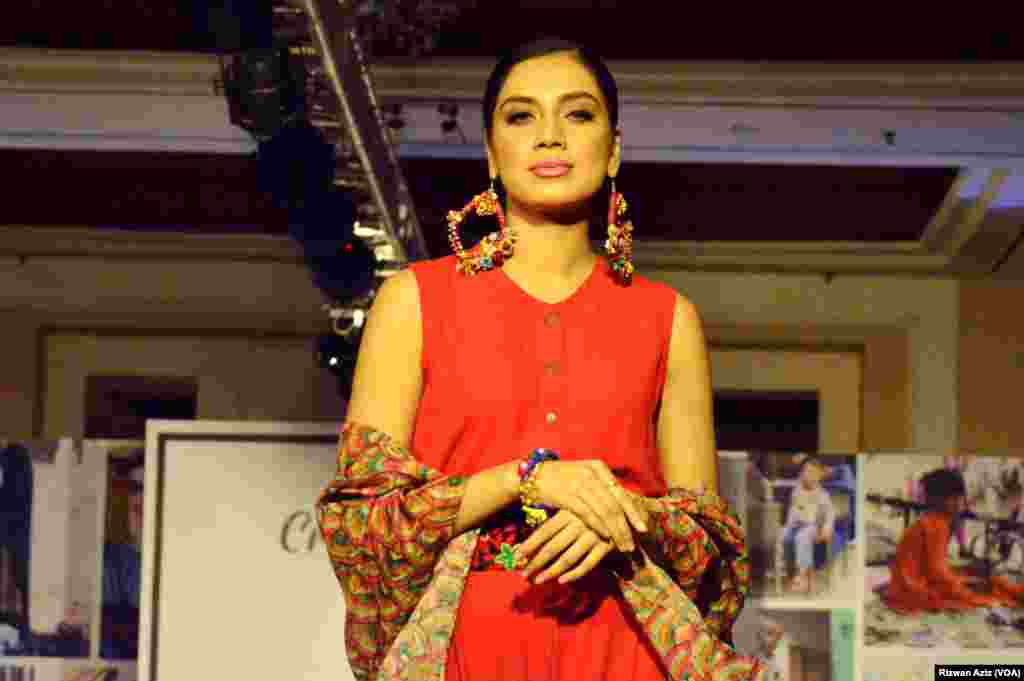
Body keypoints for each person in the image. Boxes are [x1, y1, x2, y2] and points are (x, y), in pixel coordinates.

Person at [316, 37, 763, 681]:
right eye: (521, 116)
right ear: (492, 155)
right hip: (469, 646)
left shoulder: (667, 318)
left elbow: (712, 549)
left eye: (577, 115)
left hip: (624, 645)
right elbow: (361, 530)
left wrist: (618, 517)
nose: (550, 136)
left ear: (612, 151)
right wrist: (525, 480)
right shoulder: (413, 302)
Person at [882, 468, 1024, 613]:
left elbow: (934, 567)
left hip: (910, 584)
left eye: (960, 497)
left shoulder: (934, 520)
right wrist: (967, 594)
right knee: (991, 592)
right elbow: (937, 573)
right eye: (952, 498)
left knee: (989, 582)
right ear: (936, 500)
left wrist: (963, 578)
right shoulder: (935, 524)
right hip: (913, 590)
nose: (958, 503)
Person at [780, 457, 834, 594]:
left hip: (814, 527)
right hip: (796, 524)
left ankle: (802, 574)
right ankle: (790, 572)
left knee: (802, 537)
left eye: (813, 473)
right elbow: (792, 511)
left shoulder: (822, 495)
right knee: (785, 536)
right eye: (806, 472)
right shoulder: (797, 491)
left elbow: (829, 515)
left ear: (819, 476)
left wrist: (827, 529)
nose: (809, 476)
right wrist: (790, 524)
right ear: (802, 474)